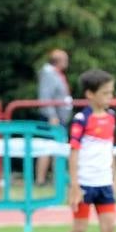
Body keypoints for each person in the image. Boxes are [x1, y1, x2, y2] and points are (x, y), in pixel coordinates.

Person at [61, 70, 116, 232]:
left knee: (109, 227)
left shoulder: (111, 117)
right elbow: (74, 153)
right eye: (105, 93)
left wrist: (114, 176)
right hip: (85, 184)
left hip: (104, 183)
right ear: (90, 94)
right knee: (79, 229)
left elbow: (109, 149)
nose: (109, 97)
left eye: (111, 93)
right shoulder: (81, 119)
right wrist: (74, 185)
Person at [35, 49, 72, 187]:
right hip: (52, 118)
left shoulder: (56, 74)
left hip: (59, 117)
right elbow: (45, 96)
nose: (67, 62)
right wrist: (52, 115)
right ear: (57, 61)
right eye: (65, 59)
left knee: (58, 148)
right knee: (46, 148)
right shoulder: (49, 74)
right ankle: (40, 180)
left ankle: (59, 178)